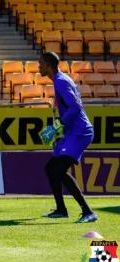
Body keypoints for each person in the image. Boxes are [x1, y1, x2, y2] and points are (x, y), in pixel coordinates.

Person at [38, 52, 97, 223]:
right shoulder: (60, 80)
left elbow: (75, 108)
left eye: (40, 64)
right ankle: (61, 210)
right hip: (72, 132)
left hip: (80, 132)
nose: (38, 67)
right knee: (50, 168)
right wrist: (59, 131)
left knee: (58, 170)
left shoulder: (61, 82)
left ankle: (88, 212)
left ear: (48, 65)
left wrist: (57, 126)